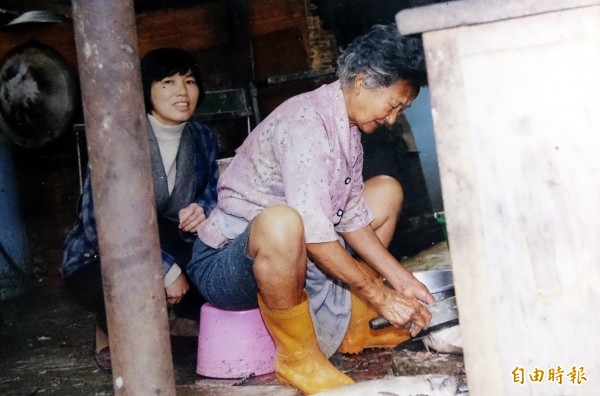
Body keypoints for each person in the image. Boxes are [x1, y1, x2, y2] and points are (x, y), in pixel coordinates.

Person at [186, 24, 434, 394]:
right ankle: (297, 358)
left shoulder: (347, 126)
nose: (393, 118)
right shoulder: (307, 121)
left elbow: (351, 219)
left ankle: (352, 325)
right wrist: (380, 295)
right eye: (394, 105)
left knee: (384, 192)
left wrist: (403, 281)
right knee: (283, 222)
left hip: (288, 255)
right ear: (363, 81)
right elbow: (317, 236)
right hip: (225, 263)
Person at [61, 47, 219, 373]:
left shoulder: (203, 137)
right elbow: (100, 226)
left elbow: (213, 192)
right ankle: (107, 329)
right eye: (167, 82)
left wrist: (202, 209)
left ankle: (179, 324)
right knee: (131, 278)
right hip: (101, 256)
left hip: (171, 242)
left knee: (214, 269)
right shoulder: (120, 140)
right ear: (146, 90)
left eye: (189, 81)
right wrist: (164, 269)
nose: (182, 91)